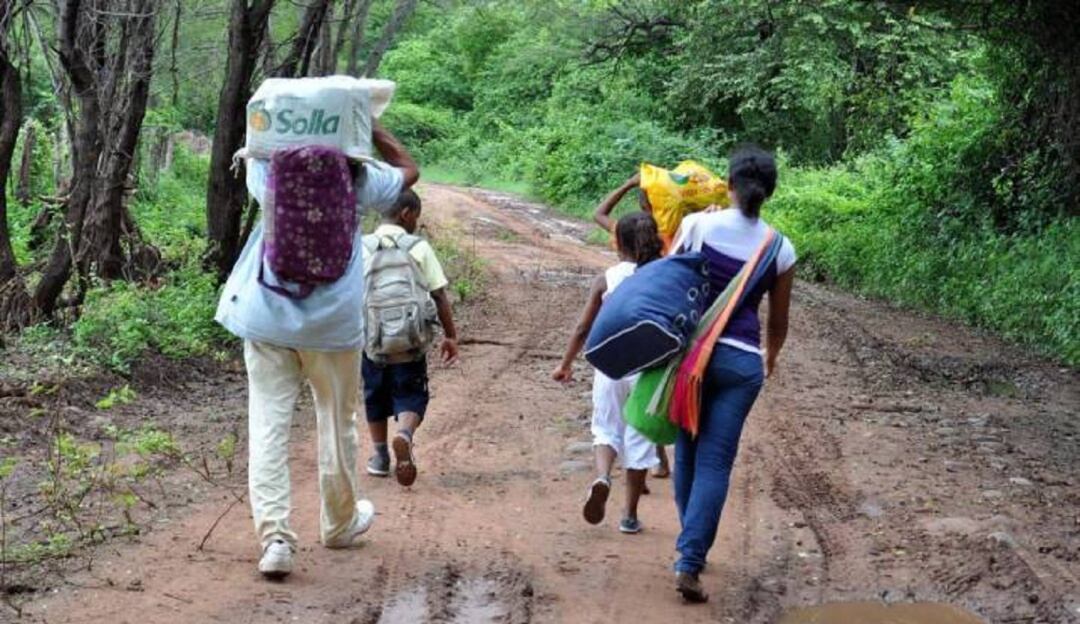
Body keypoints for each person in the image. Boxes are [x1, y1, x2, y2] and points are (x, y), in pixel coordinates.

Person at [215, 121, 419, 579]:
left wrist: (272, 125)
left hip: (266, 316)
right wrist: (373, 126)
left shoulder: (270, 172)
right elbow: (410, 170)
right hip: (332, 325)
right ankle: (339, 525)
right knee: (336, 422)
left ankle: (275, 540)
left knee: (268, 425)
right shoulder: (359, 180)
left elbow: (255, 140)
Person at [666, 145, 796, 602]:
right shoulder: (780, 248)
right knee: (716, 463)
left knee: (687, 451)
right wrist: (770, 356)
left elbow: (668, 282)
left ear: (728, 184)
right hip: (741, 363)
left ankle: (691, 549)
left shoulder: (698, 226)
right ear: (769, 193)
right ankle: (690, 557)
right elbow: (778, 322)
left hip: (692, 359)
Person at [552, 212, 664, 534]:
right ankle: (629, 516)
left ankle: (602, 477)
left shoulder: (607, 279)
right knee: (640, 436)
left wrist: (565, 364)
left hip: (610, 364)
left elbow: (583, 327)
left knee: (605, 428)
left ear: (619, 243)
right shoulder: (663, 276)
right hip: (648, 369)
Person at [362, 189, 459, 486]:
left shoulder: (362, 246)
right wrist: (451, 336)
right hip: (410, 341)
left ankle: (380, 457)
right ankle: (404, 433)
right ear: (406, 214)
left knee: (374, 395)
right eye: (416, 216)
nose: (417, 223)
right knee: (411, 393)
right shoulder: (419, 247)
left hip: (373, 341)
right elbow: (438, 295)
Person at [593, 174, 672, 480]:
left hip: (618, 342)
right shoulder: (668, 241)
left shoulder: (626, 231)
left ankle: (635, 466)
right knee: (646, 394)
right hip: (655, 338)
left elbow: (599, 213)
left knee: (614, 411)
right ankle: (656, 462)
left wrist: (627, 184)